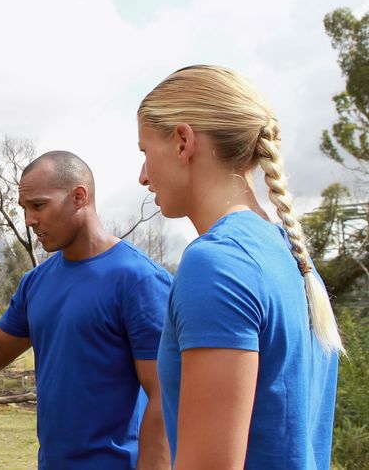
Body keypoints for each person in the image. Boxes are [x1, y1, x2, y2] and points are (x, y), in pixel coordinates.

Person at [136, 64, 342, 469]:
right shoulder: (291, 255)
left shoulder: (217, 265)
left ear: (182, 142)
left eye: (145, 152)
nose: (143, 176)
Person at [0, 150, 172, 469]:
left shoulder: (139, 280)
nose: (29, 220)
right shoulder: (36, 282)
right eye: (24, 208)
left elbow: (167, 396)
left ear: (79, 197)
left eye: (38, 205)